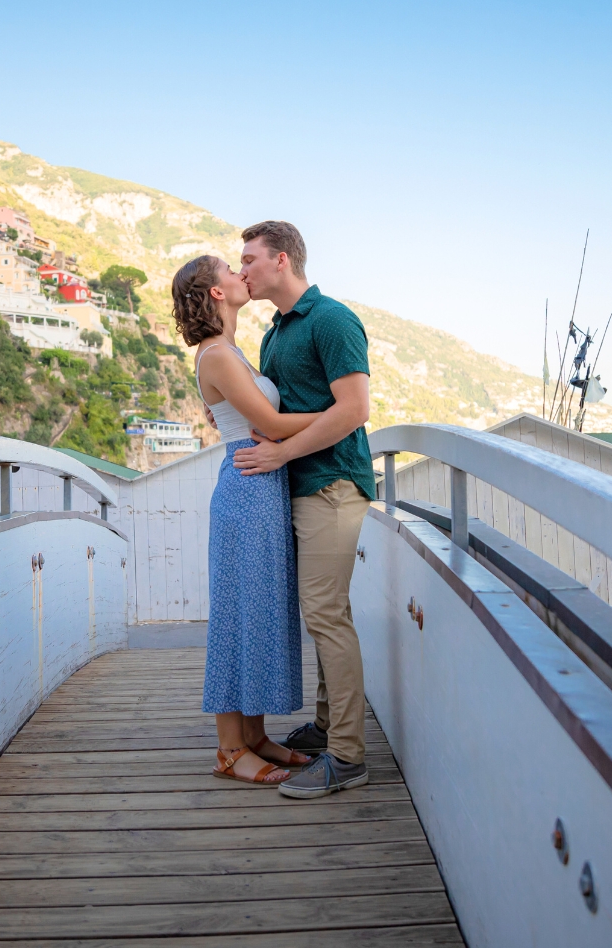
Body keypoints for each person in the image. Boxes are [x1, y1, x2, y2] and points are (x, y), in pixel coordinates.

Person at [232, 220, 376, 799]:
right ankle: (324, 727)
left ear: (282, 260)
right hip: (296, 486)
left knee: (325, 614)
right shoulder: (276, 331)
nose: (241, 268)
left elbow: (355, 409)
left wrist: (281, 454)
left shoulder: (332, 319)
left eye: (249, 258)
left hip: (332, 485)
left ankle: (347, 756)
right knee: (317, 613)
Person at [171, 254, 318, 785]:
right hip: (245, 491)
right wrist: (342, 415)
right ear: (215, 292)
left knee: (259, 612)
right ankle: (230, 751)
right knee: (238, 616)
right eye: (230, 271)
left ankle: (255, 736)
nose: (241, 274)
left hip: (263, 488)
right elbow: (272, 423)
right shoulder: (216, 356)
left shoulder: (234, 353)